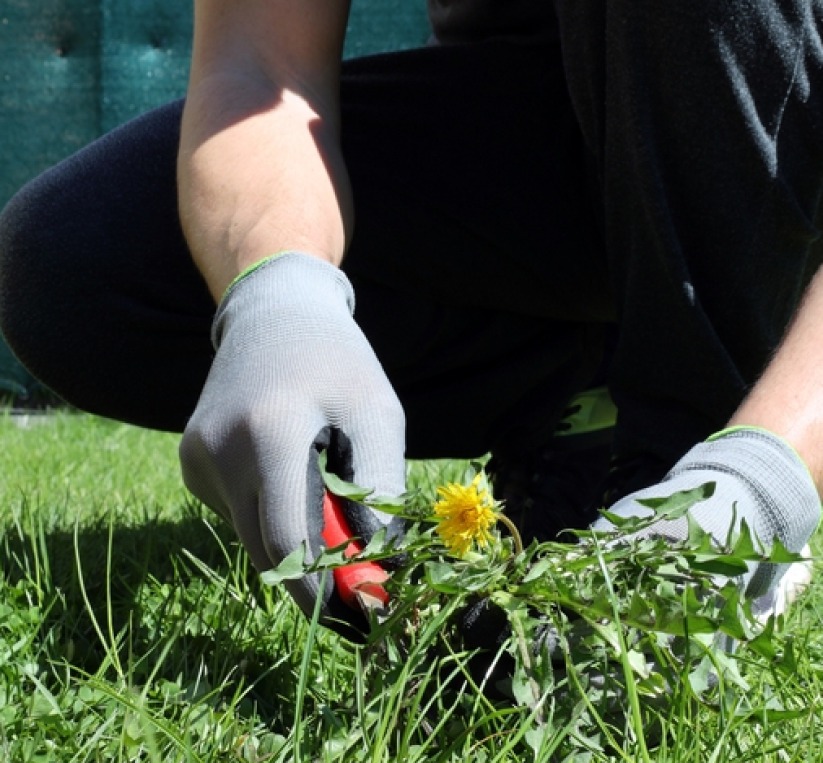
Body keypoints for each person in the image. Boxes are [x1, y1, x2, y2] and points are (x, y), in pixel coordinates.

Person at [0, 0, 821, 636]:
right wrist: (278, 295)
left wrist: (770, 474)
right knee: (79, 260)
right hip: (543, 135)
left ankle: (696, 452)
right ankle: (582, 401)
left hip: (778, 148)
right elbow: (259, 62)